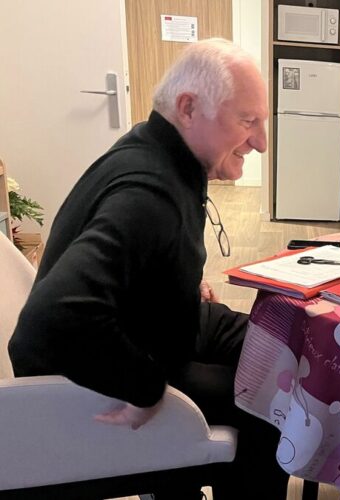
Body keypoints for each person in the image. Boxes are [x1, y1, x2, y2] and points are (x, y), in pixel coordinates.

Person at [8, 39, 287, 499]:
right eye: (247, 121)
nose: (259, 142)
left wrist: (178, 280)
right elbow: (50, 320)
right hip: (93, 375)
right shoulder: (148, 194)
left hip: (151, 325)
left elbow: (140, 254)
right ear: (188, 108)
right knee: (270, 403)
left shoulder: (155, 149)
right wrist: (144, 387)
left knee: (276, 343)